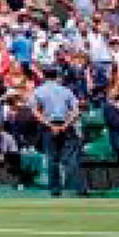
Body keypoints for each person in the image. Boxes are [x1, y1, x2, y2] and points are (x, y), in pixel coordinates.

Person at [28, 65, 87, 197]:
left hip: (49, 127)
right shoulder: (66, 91)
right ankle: (81, 189)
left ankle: (55, 190)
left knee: (52, 160)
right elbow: (77, 110)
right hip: (66, 126)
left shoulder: (38, 91)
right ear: (56, 76)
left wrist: (50, 125)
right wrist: (65, 125)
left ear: (43, 76)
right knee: (71, 159)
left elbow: (35, 112)